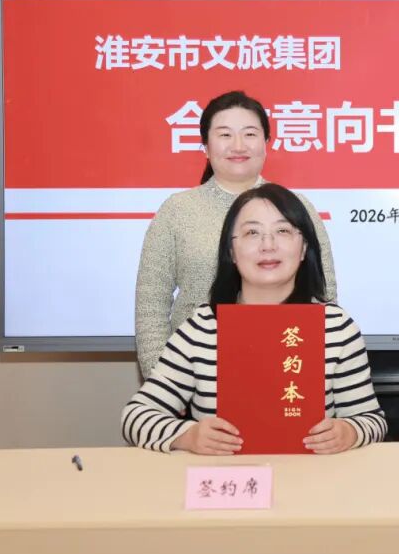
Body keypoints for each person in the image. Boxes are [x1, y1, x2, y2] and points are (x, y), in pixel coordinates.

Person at [122, 183, 386, 455]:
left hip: (311, 477)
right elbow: (136, 416)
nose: (268, 245)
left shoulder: (336, 327)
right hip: (225, 478)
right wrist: (188, 436)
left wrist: (349, 431)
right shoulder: (204, 326)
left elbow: (372, 420)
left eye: (283, 231)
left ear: (304, 247)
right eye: (252, 233)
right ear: (231, 251)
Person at [134, 91, 337, 378]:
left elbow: (323, 295)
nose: (238, 145)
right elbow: (150, 306)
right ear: (206, 146)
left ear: (266, 143)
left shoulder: (296, 206)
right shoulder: (177, 210)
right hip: (194, 373)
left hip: (286, 371)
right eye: (225, 135)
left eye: (250, 134)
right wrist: (165, 382)